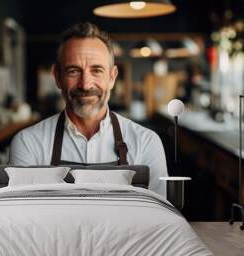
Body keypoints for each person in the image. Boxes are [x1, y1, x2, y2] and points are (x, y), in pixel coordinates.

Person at [9, 22, 168, 197]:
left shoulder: (146, 143)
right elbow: (22, 218)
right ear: (57, 77)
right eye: (73, 71)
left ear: (112, 77)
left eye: (97, 70)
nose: (85, 84)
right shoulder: (28, 143)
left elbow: (158, 216)